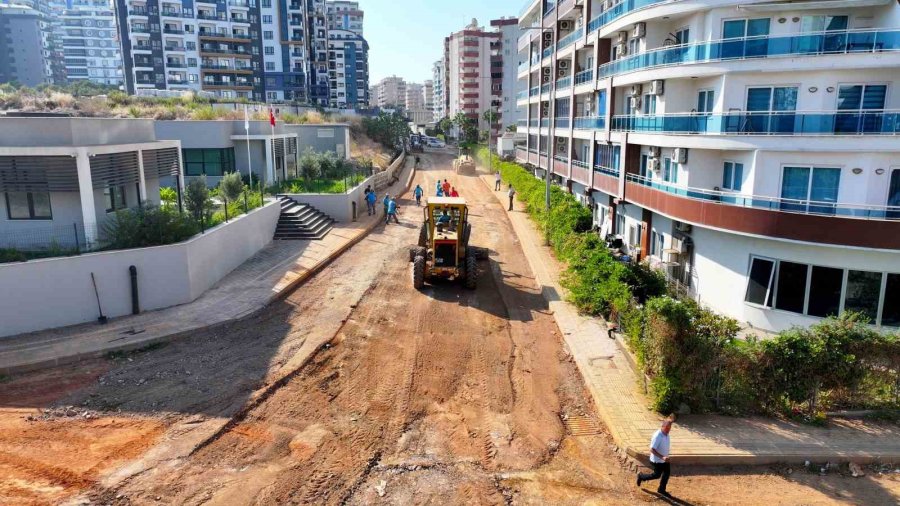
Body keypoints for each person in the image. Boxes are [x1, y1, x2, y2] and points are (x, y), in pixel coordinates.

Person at [637, 416, 675, 498]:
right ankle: (641, 476)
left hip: (664, 459)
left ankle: (661, 489)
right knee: (656, 475)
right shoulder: (657, 436)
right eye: (667, 428)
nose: (668, 430)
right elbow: (652, 450)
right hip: (657, 460)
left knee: (667, 473)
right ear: (662, 426)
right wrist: (662, 457)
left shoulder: (666, 434)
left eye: (669, 428)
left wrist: (666, 456)